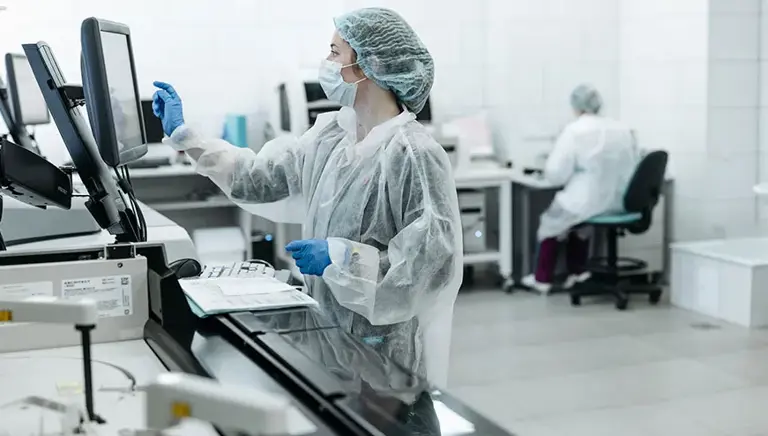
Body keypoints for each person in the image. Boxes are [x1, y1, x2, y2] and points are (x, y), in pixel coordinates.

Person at [151, 8, 463, 386]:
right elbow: (259, 179)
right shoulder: (331, 135)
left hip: (386, 354)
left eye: (335, 53)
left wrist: (342, 257)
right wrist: (187, 138)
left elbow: (431, 266)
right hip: (327, 334)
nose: (327, 64)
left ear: (369, 65)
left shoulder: (413, 154)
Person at [521, 84, 642, 293]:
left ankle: (542, 279)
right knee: (580, 226)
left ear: (576, 107)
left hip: (589, 201)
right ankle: (578, 272)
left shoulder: (575, 130)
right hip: (620, 202)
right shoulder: (621, 128)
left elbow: (556, 172)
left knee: (552, 222)